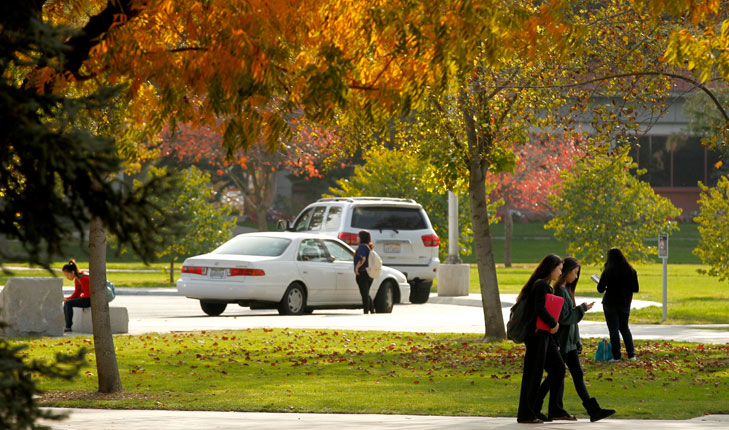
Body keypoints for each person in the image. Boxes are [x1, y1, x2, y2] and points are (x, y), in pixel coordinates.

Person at [536, 257, 616, 422]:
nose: (576, 276)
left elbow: (572, 322)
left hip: (570, 342)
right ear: (566, 272)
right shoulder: (559, 291)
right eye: (575, 272)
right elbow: (565, 318)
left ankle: (592, 410)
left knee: (575, 375)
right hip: (563, 342)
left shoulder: (566, 291)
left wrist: (577, 341)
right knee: (555, 375)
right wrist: (582, 309)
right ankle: (538, 405)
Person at [516, 254, 573, 424]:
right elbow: (539, 309)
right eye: (559, 269)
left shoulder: (545, 285)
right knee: (533, 374)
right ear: (551, 268)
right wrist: (553, 322)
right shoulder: (540, 285)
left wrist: (554, 340)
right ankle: (526, 414)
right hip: (536, 336)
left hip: (545, 336)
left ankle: (547, 409)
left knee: (558, 369)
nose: (560, 273)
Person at [597, 248, 639, 361]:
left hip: (610, 303)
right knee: (624, 328)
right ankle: (631, 354)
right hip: (625, 303)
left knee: (613, 329)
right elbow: (636, 288)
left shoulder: (608, 271)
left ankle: (617, 356)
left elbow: (600, 289)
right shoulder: (631, 271)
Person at [62, 259, 91, 332]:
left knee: (68, 303)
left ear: (72, 272)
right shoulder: (77, 279)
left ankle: (68, 326)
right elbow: (76, 294)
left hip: (91, 300)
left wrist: (70, 300)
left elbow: (88, 294)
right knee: (67, 302)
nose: (67, 277)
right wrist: (66, 298)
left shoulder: (83, 278)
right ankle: (66, 325)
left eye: (67, 275)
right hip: (87, 299)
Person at [353, 230, 374, 314]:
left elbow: (363, 258)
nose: (357, 238)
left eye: (358, 236)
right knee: (366, 292)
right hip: (369, 273)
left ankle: (366, 311)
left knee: (364, 293)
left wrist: (357, 268)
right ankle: (372, 310)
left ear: (361, 238)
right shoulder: (369, 247)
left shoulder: (362, 247)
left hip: (362, 272)